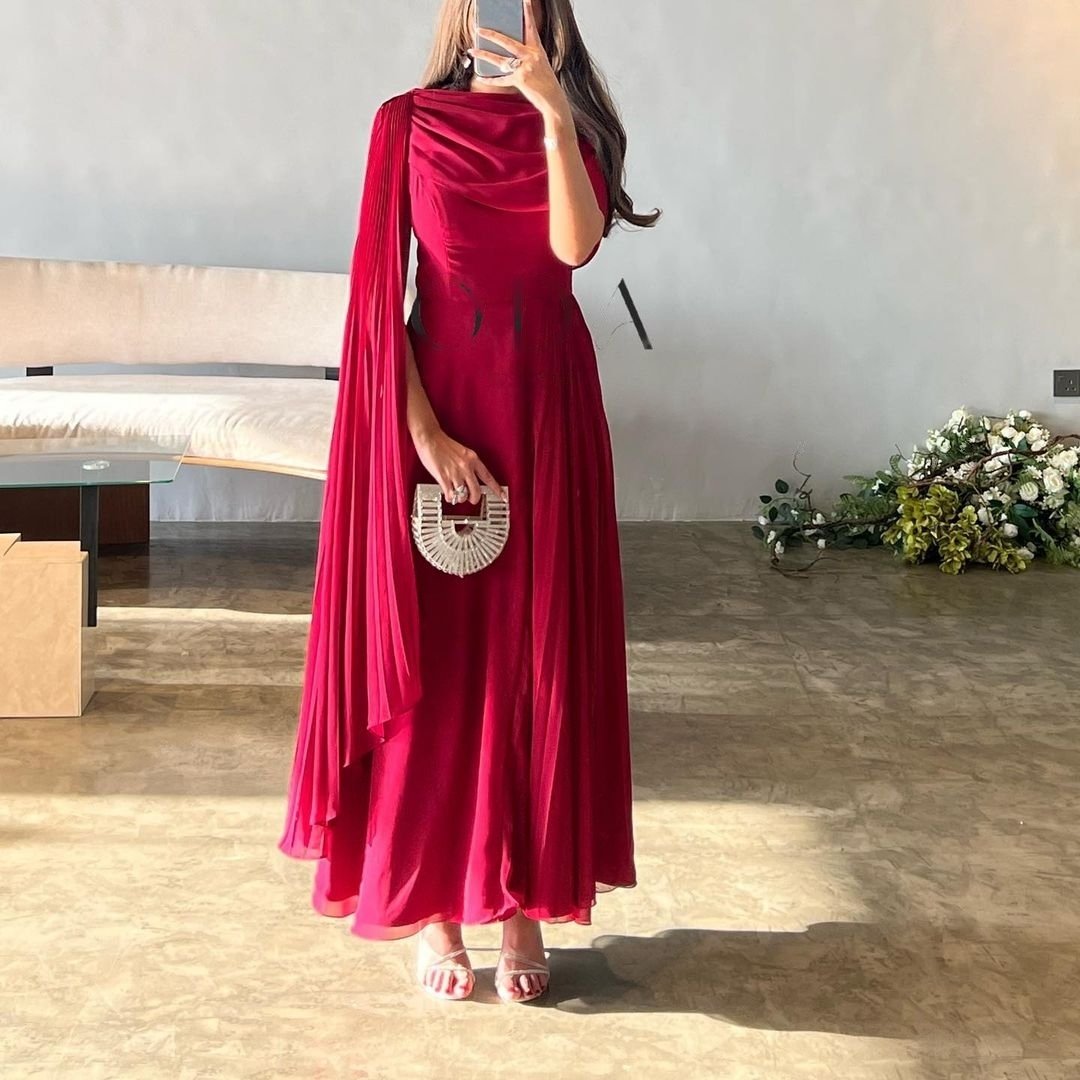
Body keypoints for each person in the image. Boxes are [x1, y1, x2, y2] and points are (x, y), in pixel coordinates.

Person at [278, 0, 660, 1004]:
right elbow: (379, 306)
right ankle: (435, 913)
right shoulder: (405, 123)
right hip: (443, 401)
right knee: (441, 662)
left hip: (549, 412)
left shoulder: (578, 124)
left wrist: (551, 112)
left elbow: (574, 252)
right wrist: (426, 439)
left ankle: (524, 906)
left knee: (539, 656)